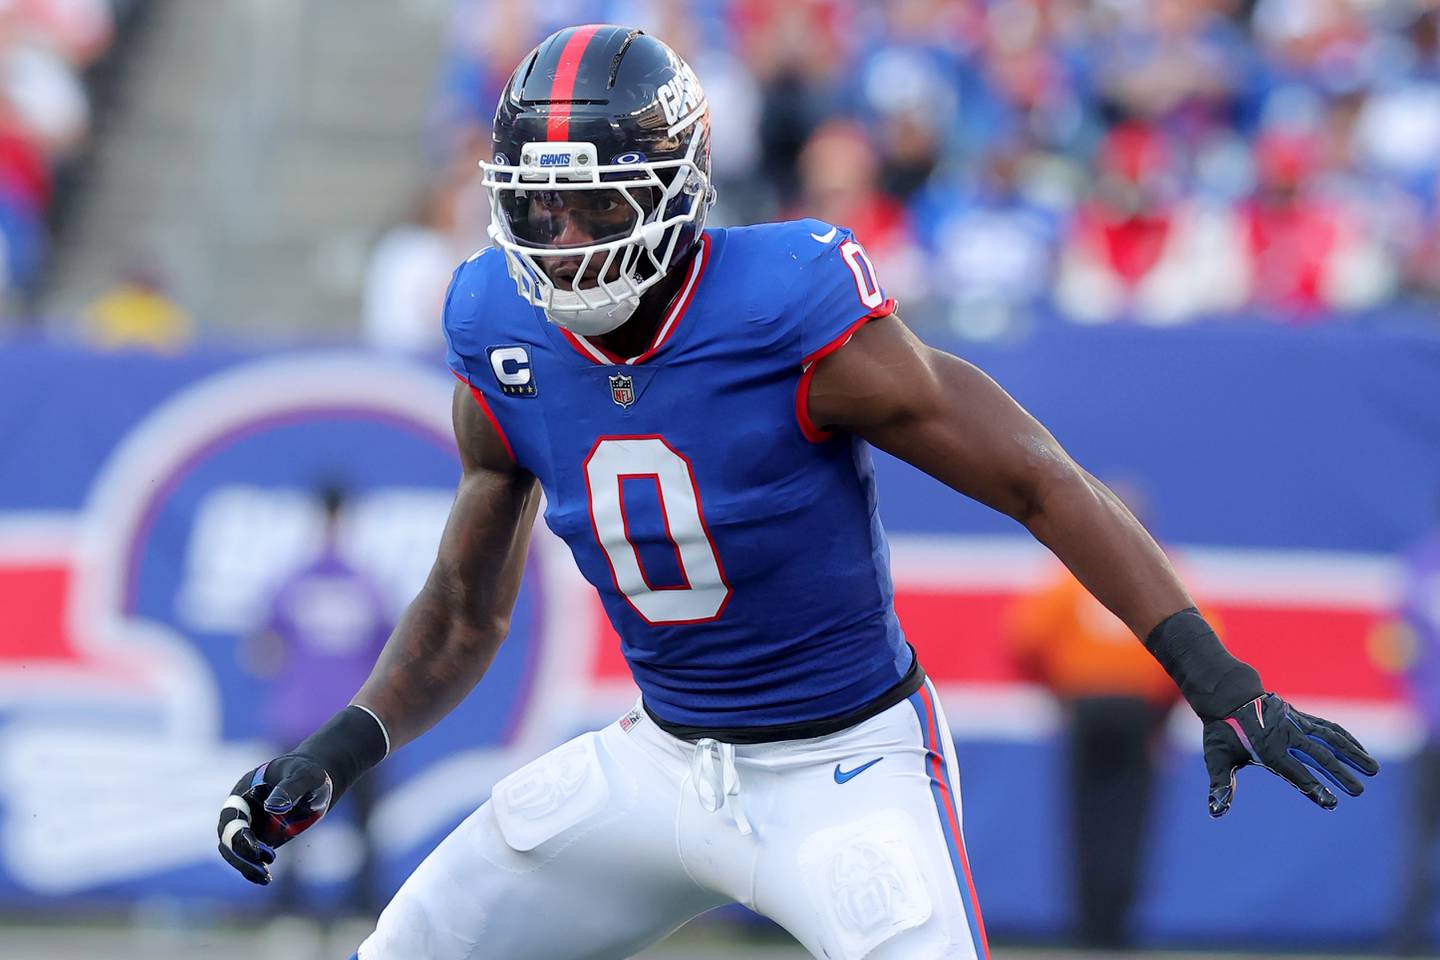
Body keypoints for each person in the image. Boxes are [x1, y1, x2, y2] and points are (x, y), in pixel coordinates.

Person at [216, 27, 1380, 960]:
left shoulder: (787, 309)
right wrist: (338, 749)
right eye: (536, 208)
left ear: (677, 189)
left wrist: (1214, 676)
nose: (562, 242)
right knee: (410, 946)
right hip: (659, 760)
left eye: (598, 208)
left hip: (847, 764)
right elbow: (465, 613)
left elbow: (1036, 477)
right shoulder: (496, 329)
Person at [1005, 506, 1183, 949]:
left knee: (1086, 816)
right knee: (1129, 819)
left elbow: (1024, 637)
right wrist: (1163, 718)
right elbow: (1196, 646)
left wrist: (1059, 694)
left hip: (1087, 705)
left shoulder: (1070, 576)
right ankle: (1117, 926)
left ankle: (1088, 926)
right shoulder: (1165, 574)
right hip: (1138, 709)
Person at [241, 484, 391, 919]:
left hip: (317, 717)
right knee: (335, 817)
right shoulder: (366, 584)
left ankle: (296, 902)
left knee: (301, 814)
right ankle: (343, 901)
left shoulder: (295, 582)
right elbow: (390, 652)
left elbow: (263, 651)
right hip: (350, 719)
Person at [1392, 505, 1440, 955]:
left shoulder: (1420, 563)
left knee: (1420, 844)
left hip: (1431, 726)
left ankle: (1406, 942)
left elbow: (1399, 648)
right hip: (1430, 725)